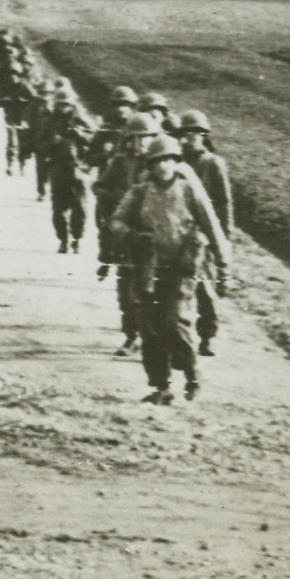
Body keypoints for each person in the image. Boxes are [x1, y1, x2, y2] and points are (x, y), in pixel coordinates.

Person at [110, 135, 230, 404]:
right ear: (150, 165)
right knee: (150, 327)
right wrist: (132, 235)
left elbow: (212, 226)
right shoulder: (140, 192)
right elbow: (115, 222)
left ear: (176, 162)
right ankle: (160, 386)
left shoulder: (189, 190)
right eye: (157, 161)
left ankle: (192, 375)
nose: (163, 166)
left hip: (183, 267)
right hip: (149, 268)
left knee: (174, 321)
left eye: (168, 160)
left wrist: (224, 266)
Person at [93, 112, 161, 353]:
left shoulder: (158, 165)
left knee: (145, 291)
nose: (141, 143)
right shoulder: (120, 162)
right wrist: (115, 198)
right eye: (137, 138)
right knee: (125, 294)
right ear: (129, 139)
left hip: (147, 236)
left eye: (147, 137)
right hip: (123, 236)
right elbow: (99, 185)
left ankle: (146, 338)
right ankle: (131, 336)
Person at [178, 110, 233, 357]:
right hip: (179, 233)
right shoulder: (176, 162)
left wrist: (224, 236)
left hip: (204, 235)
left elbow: (224, 204)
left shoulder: (213, 164)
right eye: (185, 133)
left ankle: (207, 336)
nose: (189, 138)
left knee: (205, 290)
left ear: (203, 136)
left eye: (195, 133)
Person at [46, 99, 93, 254]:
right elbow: (38, 142)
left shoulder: (81, 120)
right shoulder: (50, 122)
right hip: (58, 170)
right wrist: (51, 143)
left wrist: (81, 134)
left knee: (80, 209)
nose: (64, 108)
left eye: (67, 104)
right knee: (58, 210)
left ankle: (76, 239)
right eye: (61, 104)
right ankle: (63, 239)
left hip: (78, 170)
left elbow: (95, 140)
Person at [86, 86, 137, 173]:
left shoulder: (138, 128)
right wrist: (105, 155)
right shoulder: (105, 129)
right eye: (117, 104)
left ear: (131, 106)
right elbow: (90, 158)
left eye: (124, 104)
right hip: (107, 179)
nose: (120, 108)